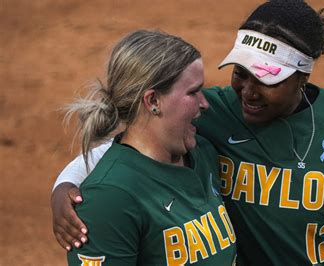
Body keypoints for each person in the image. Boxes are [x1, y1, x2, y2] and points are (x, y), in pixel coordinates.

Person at [52, 1, 324, 265]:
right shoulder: (214, 111)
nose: (248, 91)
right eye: (240, 73)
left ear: (302, 76)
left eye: (267, 81)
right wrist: (64, 187)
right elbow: (124, 149)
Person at [56, 29, 237, 265]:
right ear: (153, 101)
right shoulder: (108, 200)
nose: (205, 103)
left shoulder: (202, 153)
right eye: (193, 92)